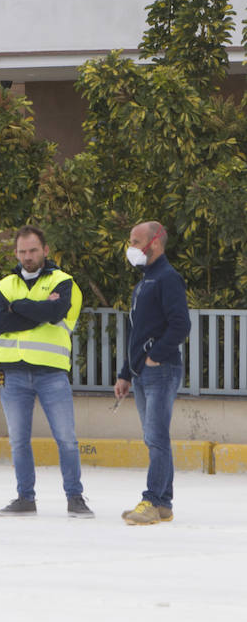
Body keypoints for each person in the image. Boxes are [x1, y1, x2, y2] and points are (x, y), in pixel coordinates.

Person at [0, 225, 93, 518]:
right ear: (15, 253)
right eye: (22, 251)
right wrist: (35, 310)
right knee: (18, 440)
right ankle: (25, 498)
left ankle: (75, 497)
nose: (28, 257)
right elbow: (0, 323)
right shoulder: (5, 284)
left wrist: (18, 308)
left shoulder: (64, 282)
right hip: (12, 373)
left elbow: (55, 314)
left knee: (67, 439)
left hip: (51, 373)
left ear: (45, 250)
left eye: (33, 250)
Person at [113, 221, 190, 526]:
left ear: (154, 242)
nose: (130, 247)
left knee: (156, 438)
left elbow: (181, 324)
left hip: (161, 370)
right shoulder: (145, 281)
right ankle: (164, 504)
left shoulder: (167, 278)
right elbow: (136, 331)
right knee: (154, 438)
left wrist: (155, 357)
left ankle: (153, 500)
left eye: (135, 241)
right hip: (144, 373)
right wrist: (126, 374)